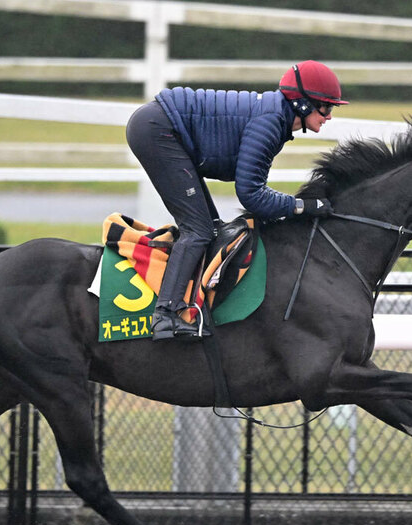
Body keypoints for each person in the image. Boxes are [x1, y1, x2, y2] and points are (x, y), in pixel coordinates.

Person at [126, 60, 348, 341]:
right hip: (158, 128)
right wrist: (303, 206)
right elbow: (251, 195)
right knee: (199, 230)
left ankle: (194, 302)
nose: (328, 116)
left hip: (161, 125)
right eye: (326, 107)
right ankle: (166, 316)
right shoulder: (269, 122)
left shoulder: (275, 119)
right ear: (302, 105)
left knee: (213, 228)